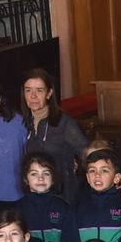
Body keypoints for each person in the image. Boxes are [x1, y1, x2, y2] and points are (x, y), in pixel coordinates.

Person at [15, 152, 82, 242]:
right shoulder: (18, 209)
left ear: (53, 179)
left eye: (46, 173)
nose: (40, 178)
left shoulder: (63, 207)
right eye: (34, 174)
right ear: (25, 179)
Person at [22, 68, 89, 202]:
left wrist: (110, 172)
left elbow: (88, 152)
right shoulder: (20, 123)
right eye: (28, 90)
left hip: (63, 196)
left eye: (39, 90)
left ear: (49, 93)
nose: (33, 96)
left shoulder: (63, 123)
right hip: (34, 197)